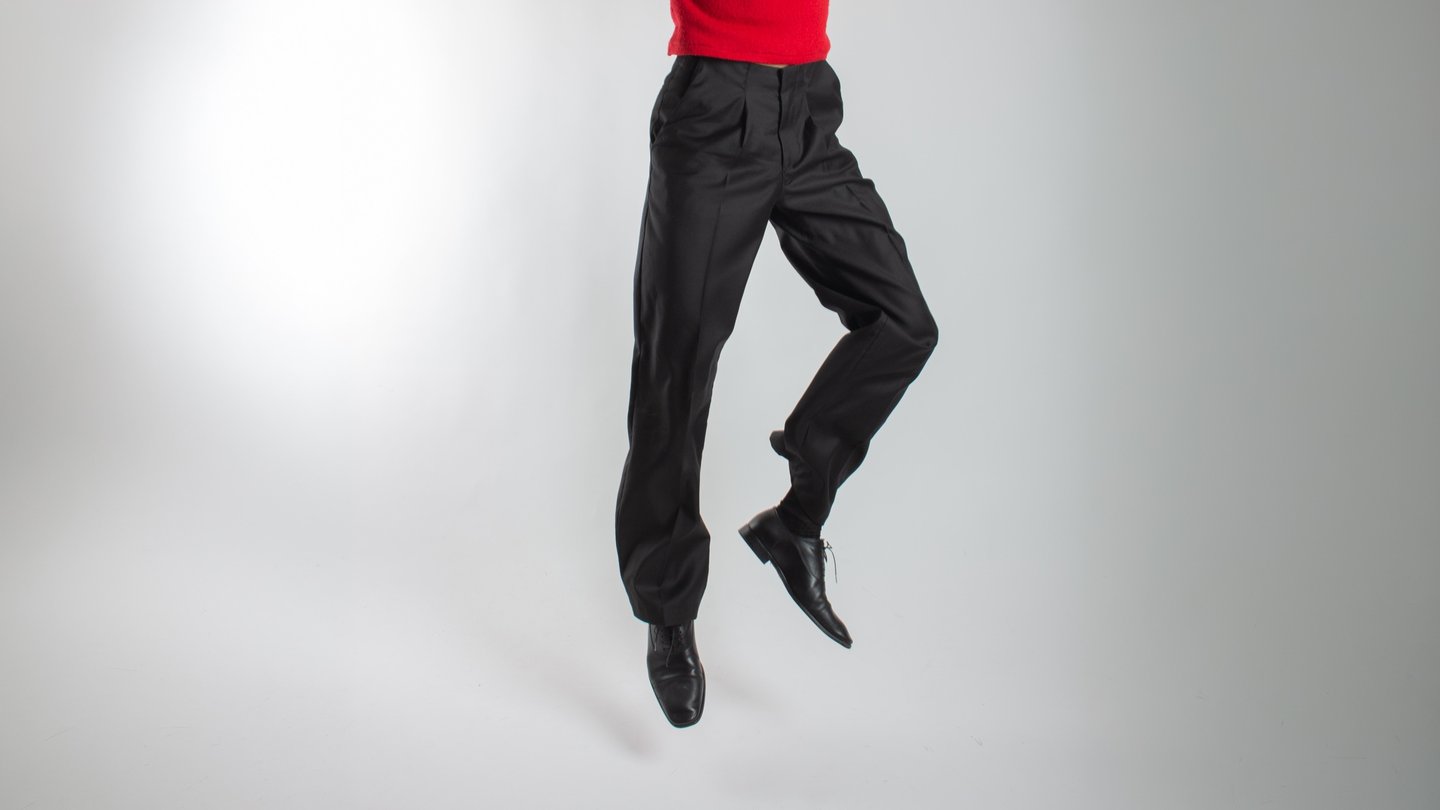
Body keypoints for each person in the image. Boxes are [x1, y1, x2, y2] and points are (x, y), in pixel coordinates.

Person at [614, 0, 939, 727]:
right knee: (677, 368)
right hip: (714, 106)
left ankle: (796, 522)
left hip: (808, 106)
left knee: (904, 323)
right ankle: (668, 610)